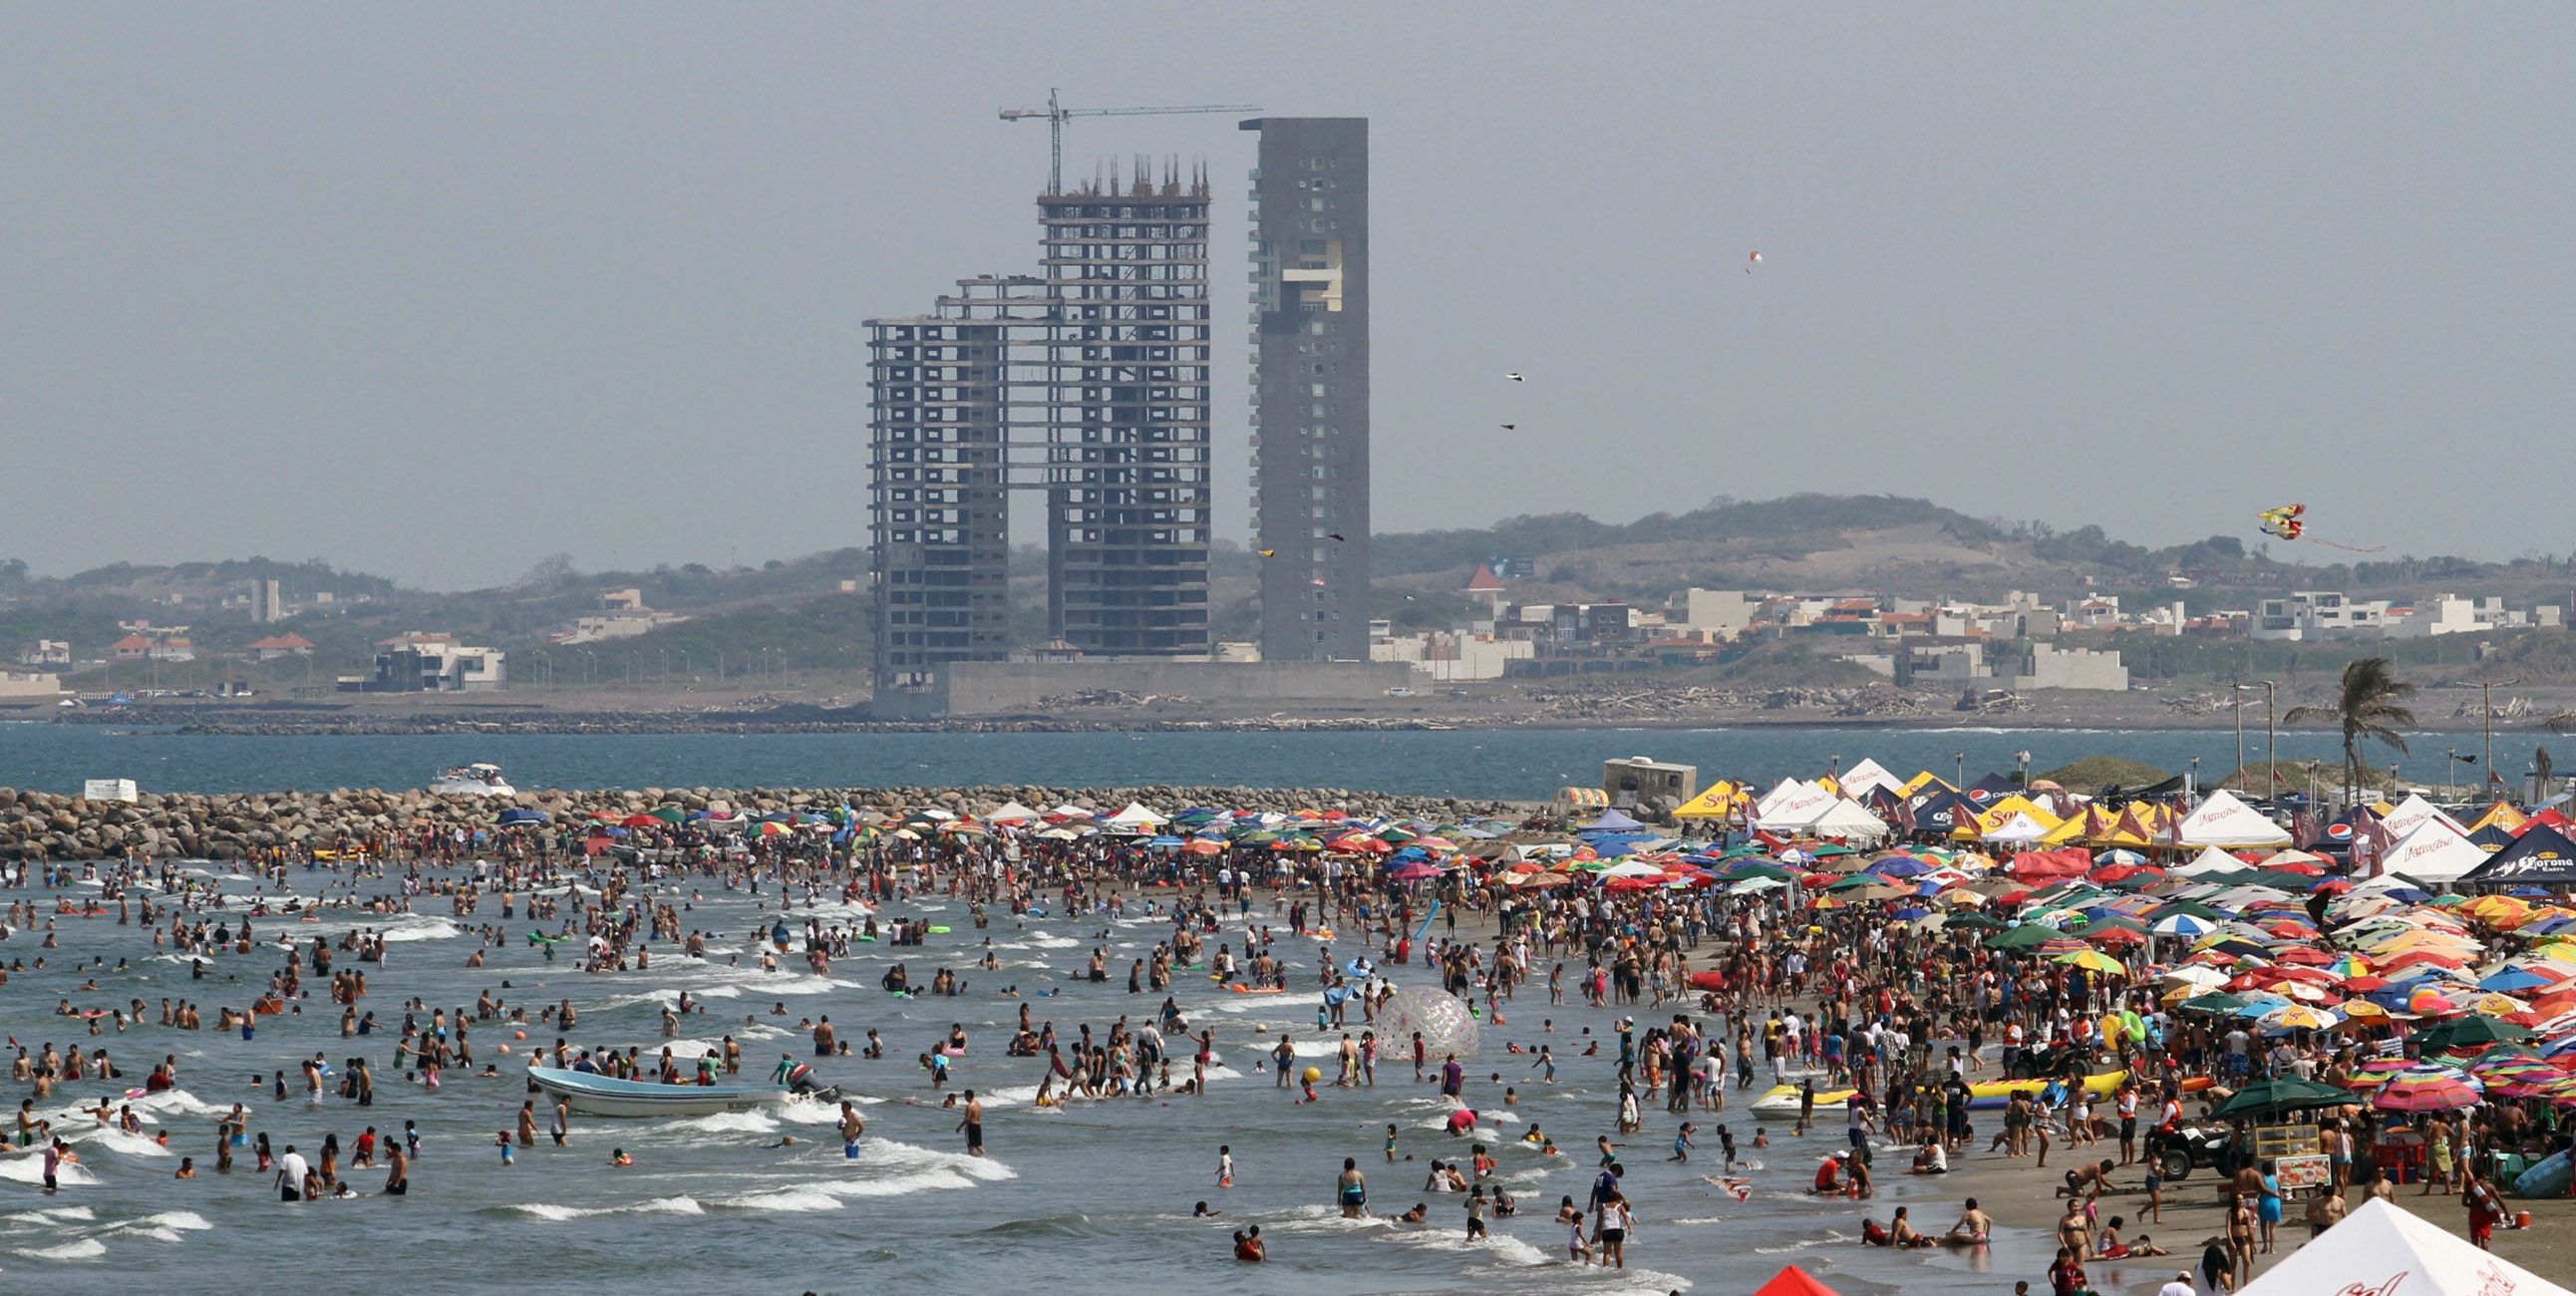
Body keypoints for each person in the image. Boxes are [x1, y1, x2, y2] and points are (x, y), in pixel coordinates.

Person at [956, 1090, 984, 1156]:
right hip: (978, 1126)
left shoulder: (970, 1106)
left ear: (968, 1096)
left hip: (971, 1126)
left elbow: (967, 1119)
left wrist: (959, 1127)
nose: (964, 1098)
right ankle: (985, 1156)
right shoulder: (978, 1103)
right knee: (978, 1145)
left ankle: (971, 1160)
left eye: (965, 1096)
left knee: (971, 1146)